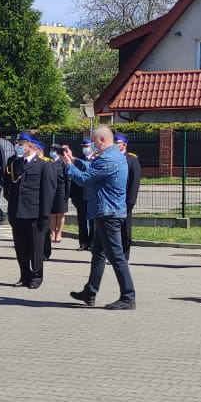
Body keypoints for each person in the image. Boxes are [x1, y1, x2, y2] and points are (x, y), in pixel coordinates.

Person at [67, 126, 135, 310]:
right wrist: (75, 160)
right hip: (106, 212)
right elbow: (92, 168)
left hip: (108, 213)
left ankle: (128, 296)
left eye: (94, 142)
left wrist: (69, 166)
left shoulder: (107, 158)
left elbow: (84, 179)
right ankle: (90, 292)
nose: (93, 145)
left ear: (102, 140)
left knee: (116, 256)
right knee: (98, 253)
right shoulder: (113, 155)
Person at [4, 133, 57, 288]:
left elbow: (48, 191)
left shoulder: (43, 164)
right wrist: (12, 209)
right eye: (17, 143)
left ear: (31, 145)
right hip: (17, 212)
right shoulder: (15, 163)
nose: (18, 146)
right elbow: (9, 188)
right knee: (21, 247)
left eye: (21, 143)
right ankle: (24, 276)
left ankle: (36, 277)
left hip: (35, 213)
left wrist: (44, 215)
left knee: (36, 248)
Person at [117, 133, 143, 258]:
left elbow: (134, 182)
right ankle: (114, 254)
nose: (114, 145)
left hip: (125, 200)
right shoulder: (109, 158)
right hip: (112, 200)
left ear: (124, 144)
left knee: (125, 229)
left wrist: (130, 201)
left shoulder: (132, 160)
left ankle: (125, 254)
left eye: (117, 143)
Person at [46, 143, 70, 257]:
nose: (53, 152)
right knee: (52, 213)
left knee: (60, 213)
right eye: (52, 150)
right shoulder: (48, 162)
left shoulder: (63, 163)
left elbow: (67, 179)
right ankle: (52, 232)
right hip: (51, 190)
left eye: (55, 150)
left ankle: (59, 232)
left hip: (61, 190)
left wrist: (67, 193)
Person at [70, 136, 93, 250]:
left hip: (92, 196)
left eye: (87, 146)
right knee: (82, 220)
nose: (85, 148)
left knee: (93, 221)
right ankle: (83, 242)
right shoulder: (78, 160)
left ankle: (93, 242)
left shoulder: (97, 160)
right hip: (80, 195)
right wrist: (73, 196)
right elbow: (74, 178)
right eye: (83, 146)